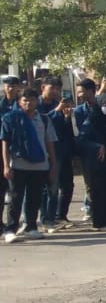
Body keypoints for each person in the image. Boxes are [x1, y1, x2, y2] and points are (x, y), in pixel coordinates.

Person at [2, 88, 58, 243]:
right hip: (18, 165)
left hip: (40, 166)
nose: (28, 103)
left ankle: (31, 227)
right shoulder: (10, 118)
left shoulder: (44, 119)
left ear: (37, 101)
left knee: (34, 198)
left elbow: (50, 143)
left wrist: (53, 165)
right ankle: (10, 229)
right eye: (25, 100)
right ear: (19, 102)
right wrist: (6, 166)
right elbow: (5, 143)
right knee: (15, 198)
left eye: (32, 99)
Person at [74, 81, 106, 231]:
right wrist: (98, 146)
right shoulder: (82, 113)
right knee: (95, 188)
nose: (79, 94)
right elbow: (81, 136)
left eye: (82, 91)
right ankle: (98, 220)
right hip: (91, 157)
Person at [38, 80, 74, 232]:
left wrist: (67, 117)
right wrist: (57, 111)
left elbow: (65, 129)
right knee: (50, 187)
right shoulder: (36, 103)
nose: (55, 91)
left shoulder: (58, 103)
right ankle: (47, 219)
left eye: (58, 88)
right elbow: (40, 122)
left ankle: (60, 216)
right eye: (52, 87)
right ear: (43, 88)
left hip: (62, 151)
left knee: (67, 185)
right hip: (43, 152)